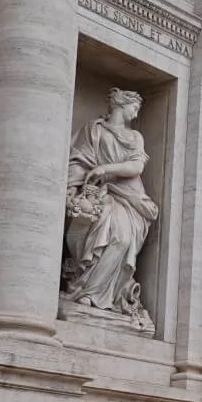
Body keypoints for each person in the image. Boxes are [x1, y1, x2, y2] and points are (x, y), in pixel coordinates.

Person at [63, 88, 159, 318]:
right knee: (99, 231)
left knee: (122, 238)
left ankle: (99, 293)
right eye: (133, 108)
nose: (136, 114)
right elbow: (78, 159)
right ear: (120, 105)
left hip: (129, 196)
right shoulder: (93, 130)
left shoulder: (135, 137)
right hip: (100, 193)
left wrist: (104, 168)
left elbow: (136, 166)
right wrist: (73, 187)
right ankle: (86, 291)